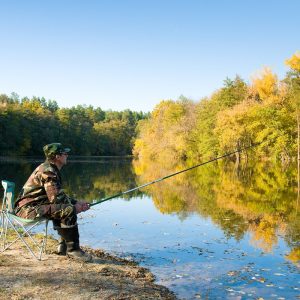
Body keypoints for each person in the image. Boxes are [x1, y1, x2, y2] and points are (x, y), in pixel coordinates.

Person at [14, 143, 92, 262]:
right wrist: (75, 207)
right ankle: (73, 251)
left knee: (64, 207)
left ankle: (63, 247)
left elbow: (56, 196)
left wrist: (77, 202)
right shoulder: (48, 171)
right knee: (67, 209)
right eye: (65, 153)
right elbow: (56, 199)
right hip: (27, 210)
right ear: (57, 156)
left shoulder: (49, 168)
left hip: (33, 206)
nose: (67, 155)